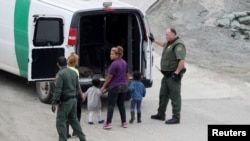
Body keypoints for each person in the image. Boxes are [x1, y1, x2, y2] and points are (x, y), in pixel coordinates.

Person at [149, 28, 186, 124]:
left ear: (173, 35)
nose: (166, 36)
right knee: (163, 94)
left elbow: (181, 60)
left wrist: (176, 72)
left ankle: (176, 117)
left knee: (175, 96)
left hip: (173, 75)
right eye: (166, 35)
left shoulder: (178, 45)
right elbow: (163, 44)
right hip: (166, 75)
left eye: (167, 35)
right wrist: (153, 40)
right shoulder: (170, 43)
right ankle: (161, 114)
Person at [51, 56, 87, 141]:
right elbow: (77, 87)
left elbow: (58, 89)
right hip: (74, 100)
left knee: (60, 121)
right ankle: (83, 138)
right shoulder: (73, 73)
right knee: (74, 120)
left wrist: (54, 102)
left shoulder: (60, 74)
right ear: (66, 63)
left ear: (57, 64)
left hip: (65, 102)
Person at [101, 46, 129, 129]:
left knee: (111, 105)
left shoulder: (114, 64)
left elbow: (109, 77)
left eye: (112, 54)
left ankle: (108, 123)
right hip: (123, 86)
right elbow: (127, 74)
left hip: (115, 86)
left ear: (117, 55)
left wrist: (103, 86)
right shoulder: (124, 63)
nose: (110, 55)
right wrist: (126, 83)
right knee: (121, 104)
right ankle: (124, 122)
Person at [66, 52, 86, 137]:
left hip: (66, 95)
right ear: (74, 62)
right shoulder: (75, 71)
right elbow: (77, 85)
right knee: (77, 113)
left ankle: (66, 133)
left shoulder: (64, 69)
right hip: (74, 95)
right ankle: (76, 131)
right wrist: (82, 95)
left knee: (66, 114)